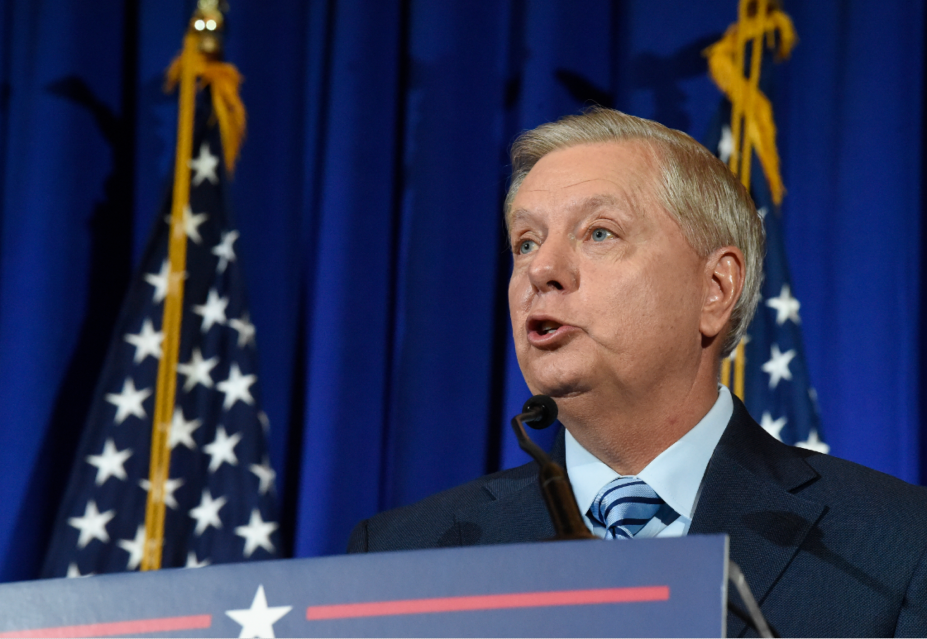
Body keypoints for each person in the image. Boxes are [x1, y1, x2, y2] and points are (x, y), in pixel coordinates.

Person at [346, 108, 927, 637]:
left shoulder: (894, 544)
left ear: (714, 288)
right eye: (525, 242)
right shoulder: (405, 554)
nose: (541, 269)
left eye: (600, 232)